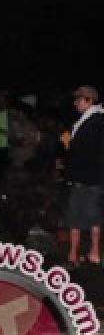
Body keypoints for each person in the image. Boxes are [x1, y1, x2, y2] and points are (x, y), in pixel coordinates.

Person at [63, 85, 103, 268]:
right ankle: (79, 253)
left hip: (90, 178)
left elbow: (83, 150)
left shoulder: (96, 121)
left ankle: (90, 252)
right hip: (88, 177)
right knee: (87, 215)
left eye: (78, 99)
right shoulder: (84, 121)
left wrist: (69, 145)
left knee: (82, 215)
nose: (75, 103)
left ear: (88, 100)